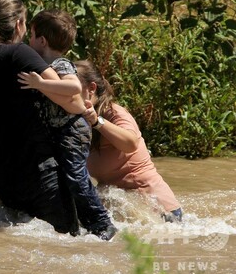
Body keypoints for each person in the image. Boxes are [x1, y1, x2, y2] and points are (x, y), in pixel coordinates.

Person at [0, 0, 86, 238]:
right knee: (69, 242)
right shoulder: (19, 54)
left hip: (1, 177)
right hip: (39, 174)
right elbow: (74, 103)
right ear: (19, 24)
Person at [16, 9, 117, 240]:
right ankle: (82, 223)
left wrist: (39, 83)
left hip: (73, 128)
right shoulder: (44, 63)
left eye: (31, 36)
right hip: (63, 129)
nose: (28, 42)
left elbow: (72, 87)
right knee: (66, 176)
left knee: (75, 175)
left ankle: (103, 223)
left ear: (42, 41)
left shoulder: (60, 64)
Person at [74, 60, 183, 222]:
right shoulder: (78, 119)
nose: (69, 90)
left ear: (91, 89)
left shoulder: (115, 114)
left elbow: (130, 143)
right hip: (126, 211)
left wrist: (97, 122)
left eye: (73, 85)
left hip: (159, 213)